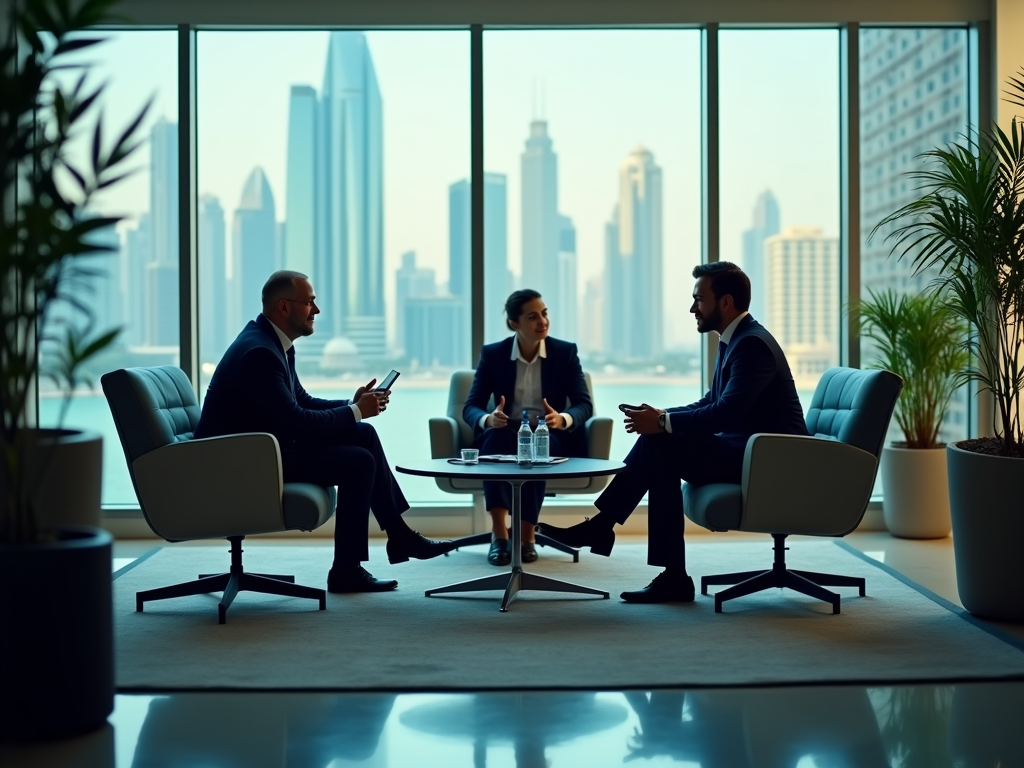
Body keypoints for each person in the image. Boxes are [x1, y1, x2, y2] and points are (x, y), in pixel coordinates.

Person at [540, 262, 808, 602]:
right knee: (659, 446)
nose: (692, 307)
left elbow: (725, 413)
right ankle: (661, 568)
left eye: (699, 299)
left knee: (659, 444)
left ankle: (609, 531)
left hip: (772, 460)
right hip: (749, 450)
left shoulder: (751, 345)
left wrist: (663, 423)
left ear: (724, 303)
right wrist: (663, 415)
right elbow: (713, 400)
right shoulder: (736, 339)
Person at [194, 270, 455, 594]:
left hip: (261, 449)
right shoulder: (260, 352)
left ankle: (397, 536)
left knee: (364, 435)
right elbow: (296, 421)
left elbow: (300, 401)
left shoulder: (274, 343)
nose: (316, 310)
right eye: (310, 302)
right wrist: (356, 411)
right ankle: (349, 569)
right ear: (285, 307)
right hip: (241, 461)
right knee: (358, 461)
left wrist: (352, 403)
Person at [463, 289, 593, 566]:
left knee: (537, 449)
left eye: (544, 314)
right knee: (496, 439)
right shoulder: (493, 354)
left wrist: (563, 418)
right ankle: (499, 535)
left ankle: (526, 536)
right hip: (505, 429)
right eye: (533, 317)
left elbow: (584, 404)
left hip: (549, 431)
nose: (542, 321)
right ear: (515, 323)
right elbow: (471, 406)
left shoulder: (565, 352)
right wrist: (489, 418)